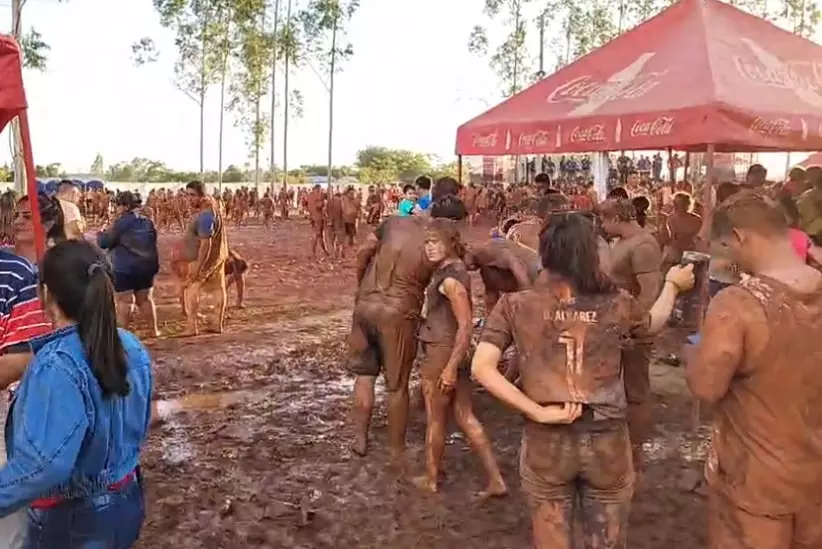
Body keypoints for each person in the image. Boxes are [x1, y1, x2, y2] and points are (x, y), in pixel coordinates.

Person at [472, 213, 693, 549]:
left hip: (546, 442)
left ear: (545, 253)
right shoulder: (617, 302)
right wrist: (673, 286)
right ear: (590, 253)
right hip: (606, 443)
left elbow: (482, 367)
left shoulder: (516, 305)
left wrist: (536, 410)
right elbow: (652, 323)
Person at [687, 191, 822, 549]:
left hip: (755, 481)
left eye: (725, 246)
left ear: (739, 237)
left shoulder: (738, 303)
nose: (727, 257)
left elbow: (706, 386)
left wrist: (692, 351)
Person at [0, 239, 152, 548]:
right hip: (126, 500)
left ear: (46, 294)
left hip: (72, 520)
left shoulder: (56, 365)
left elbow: (44, 466)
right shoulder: (131, 346)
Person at [347, 195, 467, 460]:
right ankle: (396, 450)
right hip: (399, 313)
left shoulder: (393, 222)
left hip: (365, 305)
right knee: (397, 386)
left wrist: (361, 286)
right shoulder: (438, 242)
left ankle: (360, 439)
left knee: (364, 377)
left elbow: (364, 251)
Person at [411, 219, 506, 497]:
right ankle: (496, 480)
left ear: (450, 243)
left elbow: (465, 325)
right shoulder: (454, 270)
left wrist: (450, 367)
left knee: (436, 418)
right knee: (465, 415)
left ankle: (431, 479)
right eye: (427, 243)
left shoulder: (450, 279)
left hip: (443, 352)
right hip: (456, 351)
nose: (429, 247)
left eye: (435, 242)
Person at [599, 198, 663, 472]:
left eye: (604, 220)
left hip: (634, 329)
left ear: (616, 218)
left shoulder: (643, 245)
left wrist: (634, 325)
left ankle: (636, 451)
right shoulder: (623, 243)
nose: (602, 226)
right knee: (618, 386)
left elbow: (649, 291)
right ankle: (623, 445)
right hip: (618, 324)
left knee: (636, 390)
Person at [97, 191, 160, 338]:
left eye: (118, 205)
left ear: (125, 206)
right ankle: (154, 330)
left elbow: (105, 243)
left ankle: (121, 336)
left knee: (125, 301)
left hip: (124, 267)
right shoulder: (147, 221)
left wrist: (101, 232)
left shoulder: (120, 223)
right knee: (145, 299)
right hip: (147, 266)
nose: (116, 208)